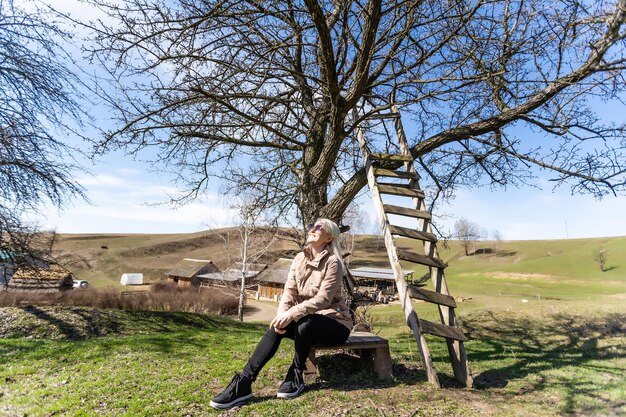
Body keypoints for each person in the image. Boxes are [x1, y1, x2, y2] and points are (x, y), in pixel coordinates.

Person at [209, 218, 353, 410]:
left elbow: (323, 299)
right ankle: (243, 383)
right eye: (312, 225)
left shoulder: (334, 263)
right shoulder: (299, 259)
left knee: (305, 322)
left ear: (329, 237)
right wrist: (281, 315)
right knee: (278, 326)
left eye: (319, 227)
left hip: (335, 324)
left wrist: (292, 313)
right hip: (306, 320)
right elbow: (289, 291)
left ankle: (295, 376)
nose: (313, 229)